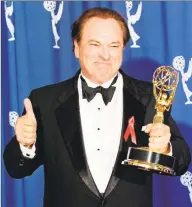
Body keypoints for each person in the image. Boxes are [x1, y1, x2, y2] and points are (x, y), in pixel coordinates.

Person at [3, 7, 191, 207]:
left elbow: (181, 160)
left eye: (113, 45)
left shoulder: (150, 97)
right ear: (76, 47)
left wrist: (165, 148)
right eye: (94, 44)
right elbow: (16, 169)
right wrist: (25, 144)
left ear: (122, 49)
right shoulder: (43, 100)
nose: (105, 55)